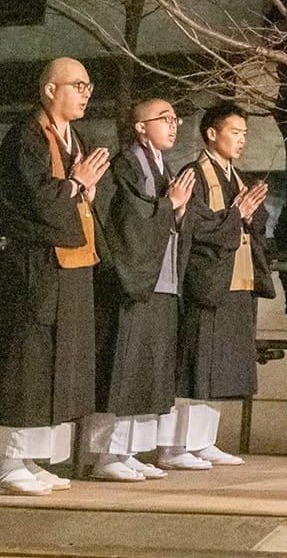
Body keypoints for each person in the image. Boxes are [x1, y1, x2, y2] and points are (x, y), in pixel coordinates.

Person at [0, 58, 111, 495]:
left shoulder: (74, 137)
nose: (86, 93)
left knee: (58, 364)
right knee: (24, 365)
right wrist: (75, 185)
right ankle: (8, 465)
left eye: (89, 86)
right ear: (50, 90)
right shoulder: (26, 135)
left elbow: (75, 194)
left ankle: (34, 459)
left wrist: (84, 187)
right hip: (32, 269)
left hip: (68, 265)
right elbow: (28, 200)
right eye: (78, 85)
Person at [83, 98, 197, 482]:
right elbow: (128, 221)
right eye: (163, 119)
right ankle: (106, 454)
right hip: (134, 281)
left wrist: (176, 211)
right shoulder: (126, 165)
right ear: (140, 127)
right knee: (121, 368)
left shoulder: (163, 166)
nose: (172, 125)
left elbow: (165, 214)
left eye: (174, 118)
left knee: (149, 371)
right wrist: (170, 206)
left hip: (161, 282)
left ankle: (130, 450)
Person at [163, 100, 271, 470]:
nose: (241, 140)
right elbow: (196, 224)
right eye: (234, 132)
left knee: (220, 366)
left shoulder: (235, 176)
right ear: (211, 133)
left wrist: (251, 214)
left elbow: (254, 221)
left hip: (235, 280)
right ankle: (175, 446)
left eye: (244, 134)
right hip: (205, 281)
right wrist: (238, 214)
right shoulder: (192, 173)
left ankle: (204, 440)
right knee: (195, 363)